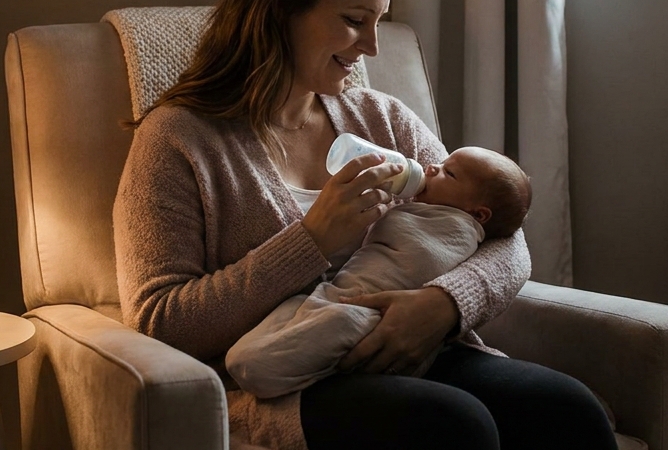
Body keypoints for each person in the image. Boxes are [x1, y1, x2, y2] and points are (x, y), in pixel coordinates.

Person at [114, 0, 638, 450]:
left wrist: (443, 306)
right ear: (282, 4)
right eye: (355, 21)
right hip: (280, 384)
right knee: (451, 428)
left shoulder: (378, 119)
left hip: (403, 354)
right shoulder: (178, 140)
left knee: (569, 412)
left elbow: (498, 236)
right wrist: (312, 243)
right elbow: (159, 320)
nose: (370, 46)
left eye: (378, 22)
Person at [225, 146, 533, 399]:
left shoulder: (385, 115)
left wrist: (446, 303)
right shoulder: (189, 138)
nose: (429, 167)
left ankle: (269, 372)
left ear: (477, 215)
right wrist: (312, 237)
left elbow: (510, 239)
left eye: (447, 172)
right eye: (440, 164)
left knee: (563, 403)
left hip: (377, 321)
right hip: (332, 301)